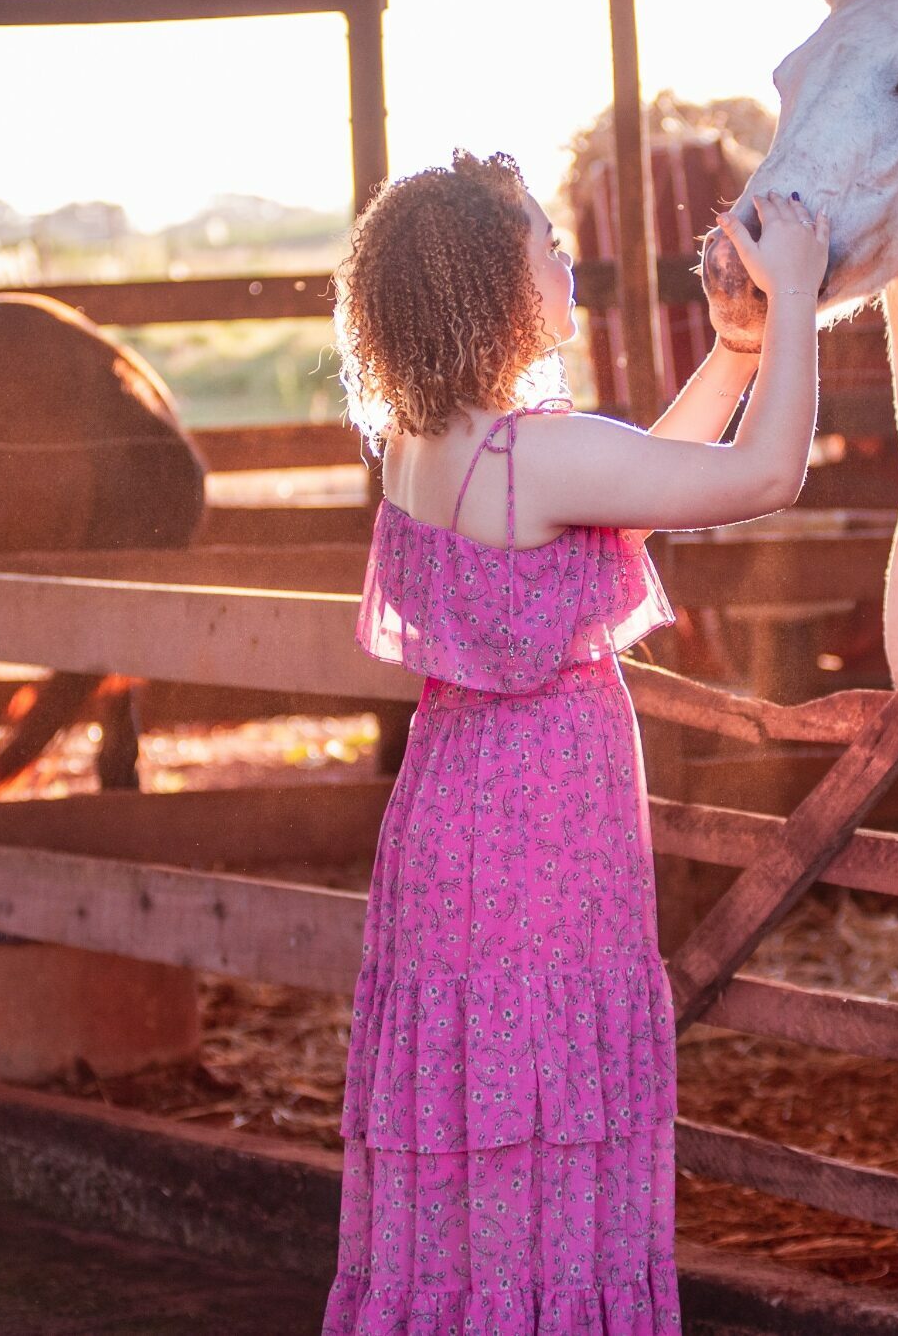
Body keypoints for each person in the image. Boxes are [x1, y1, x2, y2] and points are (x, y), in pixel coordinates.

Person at [321, 149, 827, 1334]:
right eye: (545, 241)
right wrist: (796, 296)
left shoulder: (422, 445)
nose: (564, 257)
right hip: (543, 844)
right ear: (491, 281)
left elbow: (635, 482)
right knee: (549, 1098)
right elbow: (766, 474)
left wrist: (738, 354)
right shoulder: (537, 455)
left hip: (455, 824)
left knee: (474, 1112)